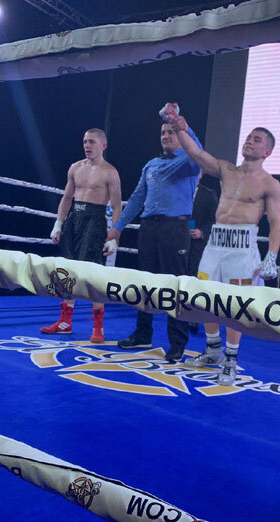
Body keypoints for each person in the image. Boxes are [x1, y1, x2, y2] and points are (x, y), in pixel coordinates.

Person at [169, 108, 280, 386]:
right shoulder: (226, 170)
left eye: (256, 139)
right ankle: (213, 350)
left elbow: (276, 223)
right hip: (215, 244)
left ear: (267, 151)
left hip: (242, 249)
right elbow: (196, 154)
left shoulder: (270, 184)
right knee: (205, 298)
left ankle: (231, 359)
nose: (249, 141)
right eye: (249, 137)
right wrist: (180, 128)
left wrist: (271, 255)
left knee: (235, 305)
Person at [104, 103, 203, 362]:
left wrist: (182, 125)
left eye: (171, 132)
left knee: (175, 285)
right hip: (149, 228)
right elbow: (137, 198)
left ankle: (178, 343)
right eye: (163, 133)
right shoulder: (151, 165)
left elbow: (198, 151)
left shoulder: (189, 162)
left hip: (175, 228)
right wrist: (117, 228)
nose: (166, 136)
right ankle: (143, 333)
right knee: (144, 282)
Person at [41, 128, 121, 343]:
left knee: (93, 274)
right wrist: (58, 224)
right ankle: (65, 322)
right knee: (66, 270)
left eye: (92, 142)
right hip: (73, 220)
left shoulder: (110, 172)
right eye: (85, 141)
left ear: (103, 145)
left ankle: (98, 326)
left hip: (95, 222)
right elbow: (67, 197)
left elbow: (116, 206)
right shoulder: (75, 167)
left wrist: (114, 236)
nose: (87, 145)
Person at [187, 173, 218, 334]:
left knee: (196, 279)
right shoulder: (178, 191)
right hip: (177, 240)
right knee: (178, 276)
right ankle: (178, 312)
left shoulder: (209, 194)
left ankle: (194, 316)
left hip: (198, 244)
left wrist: (202, 232)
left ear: (201, 174)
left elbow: (215, 219)